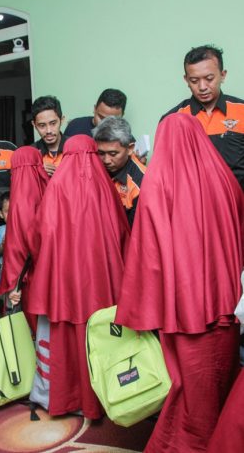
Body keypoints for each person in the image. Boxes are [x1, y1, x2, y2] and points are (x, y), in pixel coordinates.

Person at [115, 113, 244, 453]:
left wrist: (143, 306)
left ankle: (190, 443)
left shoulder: (159, 184)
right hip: (227, 303)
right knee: (224, 379)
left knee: (189, 386)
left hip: (184, 309)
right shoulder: (226, 180)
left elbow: (148, 252)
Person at [26, 134, 130, 418]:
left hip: (65, 280)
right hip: (101, 281)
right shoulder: (106, 188)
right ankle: (104, 399)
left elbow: (38, 235)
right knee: (103, 335)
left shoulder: (56, 186)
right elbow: (123, 233)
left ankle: (68, 398)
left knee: (65, 337)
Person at [164, 45, 244, 188]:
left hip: (238, 199)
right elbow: (166, 173)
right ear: (186, 80)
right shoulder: (173, 118)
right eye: (194, 81)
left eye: (209, 78)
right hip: (193, 200)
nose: (202, 87)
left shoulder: (241, 111)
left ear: (223, 75)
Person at [0, 146, 49, 333]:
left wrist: (13, 284)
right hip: (52, 272)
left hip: (29, 278)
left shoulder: (18, 202)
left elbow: (17, 246)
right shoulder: (52, 190)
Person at [93, 116, 146, 226]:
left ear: (130, 149)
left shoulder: (142, 182)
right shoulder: (92, 168)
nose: (106, 160)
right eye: (101, 153)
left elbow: (136, 231)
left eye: (113, 154)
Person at [30, 96, 68, 177]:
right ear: (34, 125)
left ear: (62, 120)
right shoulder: (31, 154)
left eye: (53, 123)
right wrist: (37, 171)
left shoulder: (75, 149)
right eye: (42, 125)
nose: (48, 131)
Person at [0, 192, 9, 286]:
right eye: (7, 211)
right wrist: (3, 244)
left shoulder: (23, 229)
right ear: (1, 214)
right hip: (4, 267)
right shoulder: (1, 230)